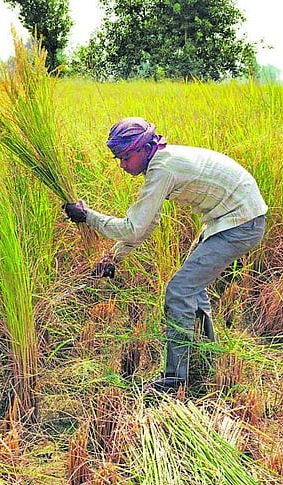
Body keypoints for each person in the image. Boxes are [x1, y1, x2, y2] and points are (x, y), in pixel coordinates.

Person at [63, 117, 268, 394]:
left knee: (179, 290)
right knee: (191, 287)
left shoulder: (163, 169)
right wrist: (114, 257)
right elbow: (147, 224)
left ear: (145, 148)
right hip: (231, 218)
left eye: (126, 157)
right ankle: (206, 356)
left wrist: (88, 217)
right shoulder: (161, 163)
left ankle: (174, 380)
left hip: (240, 222)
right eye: (118, 159)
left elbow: (134, 228)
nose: (122, 165)